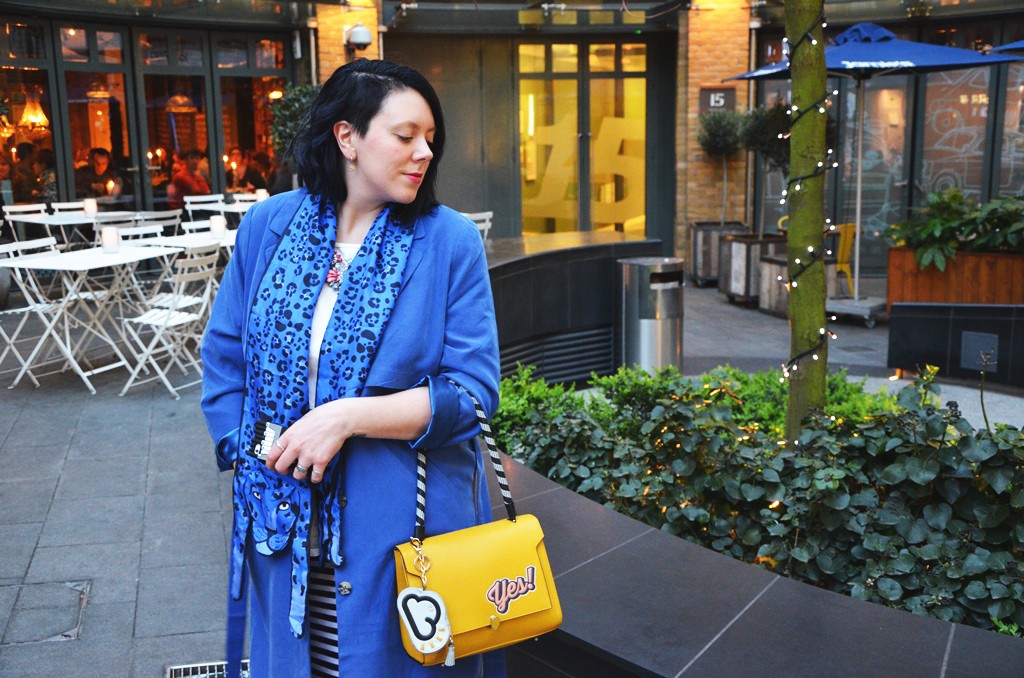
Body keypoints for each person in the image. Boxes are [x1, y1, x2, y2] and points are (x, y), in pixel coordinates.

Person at [200, 60, 502, 677]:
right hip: (279, 520)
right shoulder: (269, 227)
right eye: (405, 135)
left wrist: (344, 418)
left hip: (404, 530)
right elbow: (225, 356)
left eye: (430, 138)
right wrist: (248, 449)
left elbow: (472, 393)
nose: (424, 152)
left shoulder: (449, 242)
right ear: (347, 138)